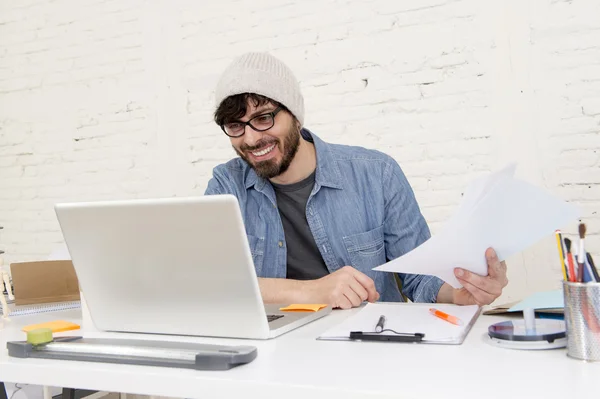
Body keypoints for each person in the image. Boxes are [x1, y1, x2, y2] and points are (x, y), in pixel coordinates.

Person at [205, 52, 508, 309]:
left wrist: (459, 293)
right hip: (273, 355)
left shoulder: (377, 174)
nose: (251, 138)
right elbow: (210, 282)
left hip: (370, 352)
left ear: (295, 116)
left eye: (263, 118)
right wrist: (310, 291)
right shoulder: (226, 186)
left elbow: (419, 278)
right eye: (236, 125)